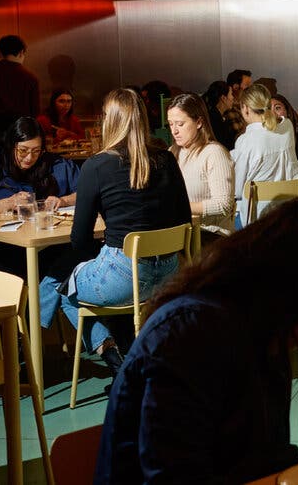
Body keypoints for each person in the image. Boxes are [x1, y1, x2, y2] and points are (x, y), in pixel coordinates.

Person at [94, 197, 298, 484]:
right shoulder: (188, 334)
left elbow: (271, 455)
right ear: (294, 299)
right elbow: (172, 475)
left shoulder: (259, 333)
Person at [39, 89, 191, 379]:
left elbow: (79, 240)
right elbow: (183, 219)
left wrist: (97, 256)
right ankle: (128, 352)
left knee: (62, 284)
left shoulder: (96, 166)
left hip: (121, 275)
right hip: (170, 274)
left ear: (108, 121)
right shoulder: (167, 159)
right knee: (73, 276)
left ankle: (108, 354)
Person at [0, 116, 79, 274]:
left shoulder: (56, 164)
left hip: (48, 244)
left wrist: (64, 200)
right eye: (23, 151)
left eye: (36, 151)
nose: (30, 158)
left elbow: (85, 193)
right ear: (10, 145)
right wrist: (7, 203)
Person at [166, 93, 235, 250]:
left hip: (211, 236)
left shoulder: (214, 153)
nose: (174, 131)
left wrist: (180, 206)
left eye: (180, 124)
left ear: (198, 122)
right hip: (182, 234)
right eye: (170, 124)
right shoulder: (172, 152)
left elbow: (223, 204)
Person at [231, 84, 298, 226]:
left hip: (256, 220)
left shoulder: (245, 141)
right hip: (289, 214)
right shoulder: (287, 126)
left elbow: (238, 190)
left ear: (245, 108)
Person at [203, 80, 238, 150]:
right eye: (231, 94)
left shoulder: (220, 115)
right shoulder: (214, 119)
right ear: (223, 98)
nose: (233, 98)